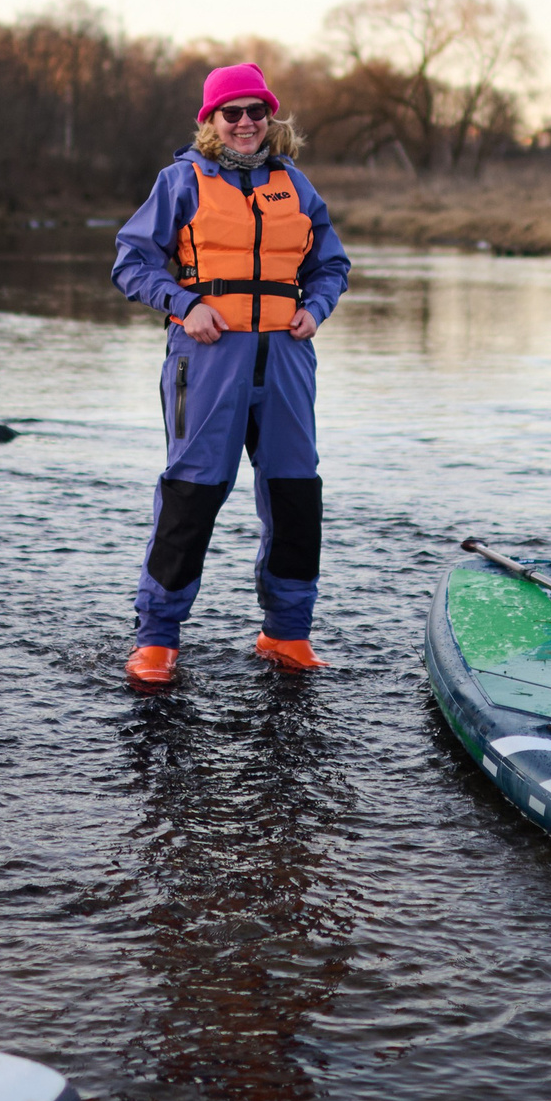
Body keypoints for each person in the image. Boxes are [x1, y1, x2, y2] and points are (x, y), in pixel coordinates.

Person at [110, 62, 351, 686]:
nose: (246, 123)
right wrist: (186, 306)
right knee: (192, 493)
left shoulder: (296, 185)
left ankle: (286, 633)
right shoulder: (180, 181)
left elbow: (332, 266)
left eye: (256, 112)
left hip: (287, 360)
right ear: (211, 122)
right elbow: (132, 263)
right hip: (206, 360)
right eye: (232, 113)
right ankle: (157, 640)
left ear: (270, 118)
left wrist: (314, 309)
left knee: (296, 494)